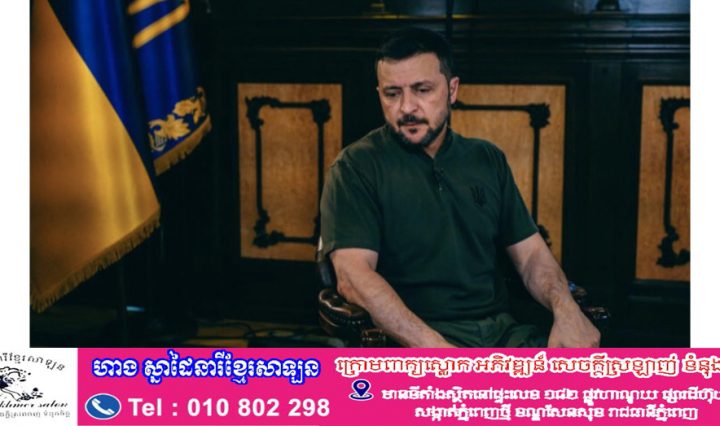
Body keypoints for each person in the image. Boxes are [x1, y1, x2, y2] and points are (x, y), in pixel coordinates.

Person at [319, 27, 600, 348]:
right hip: (412, 339)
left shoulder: (486, 158)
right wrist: (437, 349)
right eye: (392, 93)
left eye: (422, 90)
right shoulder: (356, 166)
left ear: (452, 90)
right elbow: (353, 276)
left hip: (502, 334)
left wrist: (567, 311)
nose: (406, 107)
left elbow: (532, 255)